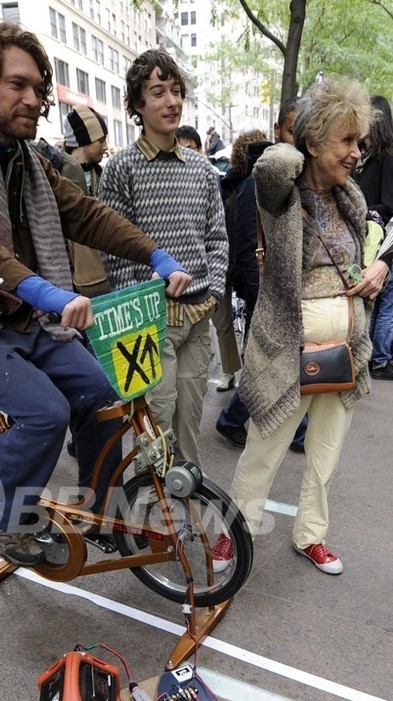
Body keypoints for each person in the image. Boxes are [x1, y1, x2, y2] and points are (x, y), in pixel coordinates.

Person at [0, 22, 190, 567]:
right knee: (44, 412)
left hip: (20, 313)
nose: (32, 98)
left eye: (38, 88)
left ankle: (100, 511)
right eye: (17, 85)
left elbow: (84, 213)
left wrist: (155, 254)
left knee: (103, 395)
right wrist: (41, 290)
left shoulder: (26, 159)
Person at [211, 78, 390, 578]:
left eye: (359, 141)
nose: (356, 153)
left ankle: (311, 534)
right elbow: (271, 162)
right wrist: (306, 136)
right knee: (264, 445)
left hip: (345, 346)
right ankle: (234, 532)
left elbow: (359, 257)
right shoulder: (282, 191)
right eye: (346, 140)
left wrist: (376, 271)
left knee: (326, 451)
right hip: (288, 347)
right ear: (313, 142)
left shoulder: (350, 197)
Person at [99, 48, 228, 470]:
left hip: (199, 315)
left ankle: (188, 501)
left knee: (190, 421)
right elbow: (112, 249)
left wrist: (214, 291)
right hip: (146, 322)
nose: (171, 101)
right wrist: (140, 300)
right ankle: (149, 505)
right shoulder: (121, 168)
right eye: (158, 92)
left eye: (176, 91)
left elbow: (217, 238)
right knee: (154, 424)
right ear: (137, 104)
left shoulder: (203, 170)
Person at [216, 100, 309, 452]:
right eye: (293, 131)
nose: (299, 139)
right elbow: (246, 248)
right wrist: (260, 298)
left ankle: (236, 419)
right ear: (278, 130)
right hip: (265, 291)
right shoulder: (257, 181)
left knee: (274, 362)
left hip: (286, 288)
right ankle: (290, 430)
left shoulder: (297, 176)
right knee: (275, 362)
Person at [213, 129, 268, 393]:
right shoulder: (229, 185)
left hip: (244, 262)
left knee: (236, 318)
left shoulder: (259, 183)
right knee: (224, 319)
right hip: (228, 261)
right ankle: (229, 370)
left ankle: (237, 370)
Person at [353, 94, 393, 379]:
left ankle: (377, 360)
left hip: (381, 244)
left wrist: (366, 212)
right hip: (367, 241)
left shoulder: (384, 158)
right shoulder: (364, 158)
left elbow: (389, 204)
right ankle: (370, 359)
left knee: (384, 302)